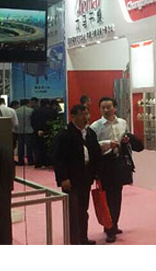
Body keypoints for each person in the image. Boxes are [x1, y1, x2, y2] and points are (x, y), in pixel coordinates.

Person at [90, 97, 144, 242]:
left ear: (115, 108)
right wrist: (107, 143)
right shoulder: (95, 126)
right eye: (103, 107)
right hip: (104, 163)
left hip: (119, 162)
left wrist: (125, 141)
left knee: (117, 196)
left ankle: (114, 223)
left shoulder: (122, 123)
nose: (106, 110)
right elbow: (92, 146)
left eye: (109, 107)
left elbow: (126, 139)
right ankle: (109, 228)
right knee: (107, 197)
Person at [53, 103, 102, 245]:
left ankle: (83, 238)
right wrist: (63, 178)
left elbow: (96, 154)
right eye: (82, 115)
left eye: (87, 114)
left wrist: (97, 173)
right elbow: (58, 158)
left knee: (83, 210)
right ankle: (74, 240)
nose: (86, 118)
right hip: (70, 179)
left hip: (86, 177)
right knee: (73, 211)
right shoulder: (64, 134)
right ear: (73, 116)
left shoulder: (90, 133)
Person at [31, 98, 58, 168]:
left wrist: (37, 130)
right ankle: (48, 162)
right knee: (48, 147)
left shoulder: (36, 111)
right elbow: (55, 122)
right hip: (49, 132)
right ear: (47, 104)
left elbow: (32, 122)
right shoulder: (52, 111)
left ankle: (39, 162)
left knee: (38, 147)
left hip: (38, 132)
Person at [14, 99, 35, 166]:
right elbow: (33, 121)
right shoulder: (31, 110)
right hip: (29, 131)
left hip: (19, 131)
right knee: (29, 147)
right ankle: (30, 160)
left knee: (20, 147)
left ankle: (20, 161)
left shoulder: (16, 111)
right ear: (27, 103)